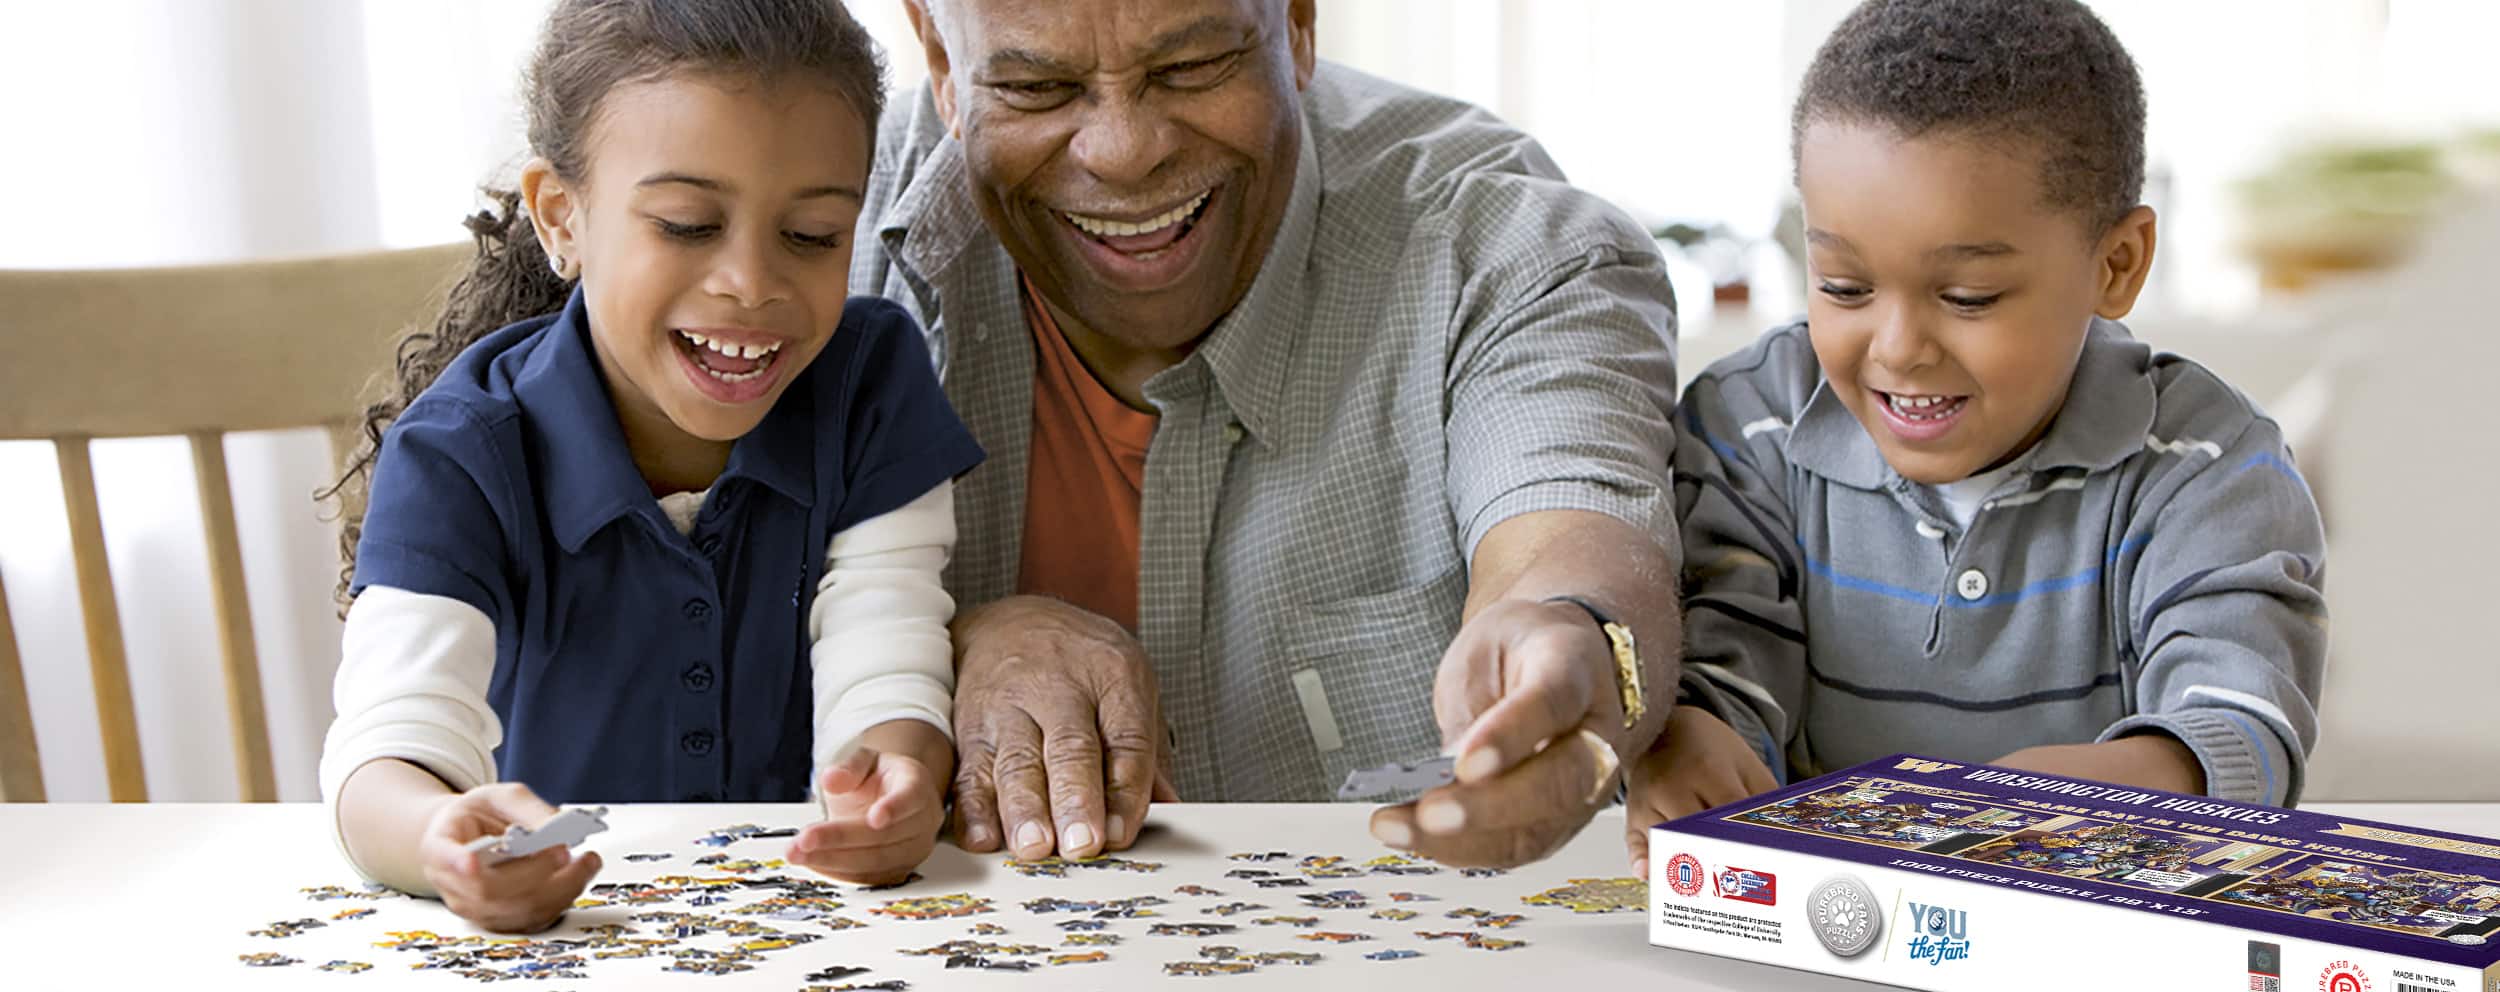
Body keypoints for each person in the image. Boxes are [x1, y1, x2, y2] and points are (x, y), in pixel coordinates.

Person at [858, 0, 1683, 869]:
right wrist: (938, 642)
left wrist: (1576, 641)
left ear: (1296, 22)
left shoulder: (1502, 244)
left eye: (1191, 67)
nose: (1125, 150)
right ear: (941, 61)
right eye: (1035, 86)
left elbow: (1568, 533)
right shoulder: (796, 225)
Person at [315, 0, 983, 932]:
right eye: (684, 224)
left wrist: (895, 777)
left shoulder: (872, 385)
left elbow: (886, 648)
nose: (751, 282)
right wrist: (438, 836)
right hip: (565, 939)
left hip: (813, 929)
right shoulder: (460, 451)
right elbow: (387, 750)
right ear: (562, 217)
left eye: (813, 235)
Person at [1628, 0, 2328, 874]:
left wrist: (2137, 780)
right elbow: (1725, 645)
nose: (1897, 348)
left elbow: (2238, 707)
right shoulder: (1749, 424)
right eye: (1844, 287)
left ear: (2116, 265)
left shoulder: (2207, 463)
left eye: (1967, 298)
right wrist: (1688, 734)